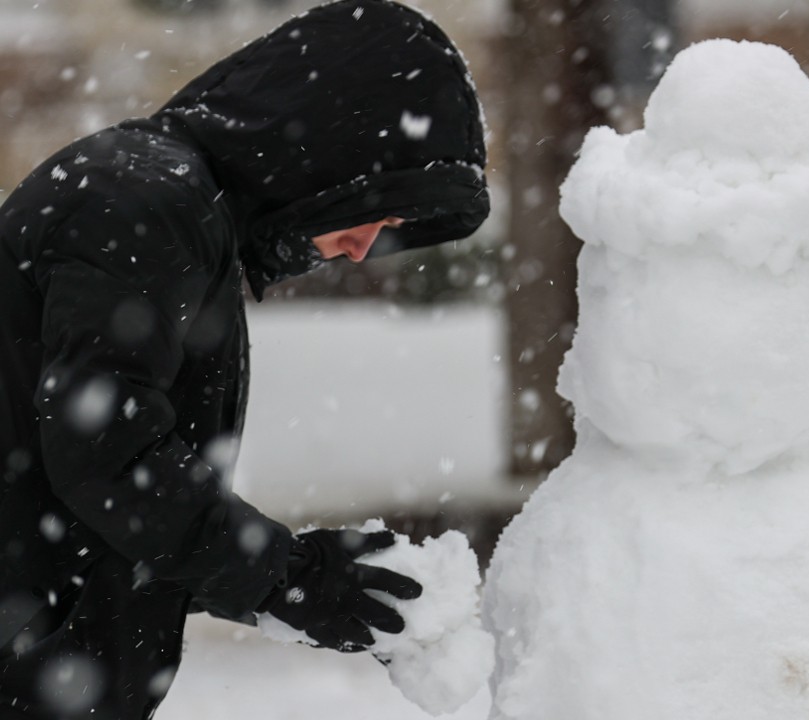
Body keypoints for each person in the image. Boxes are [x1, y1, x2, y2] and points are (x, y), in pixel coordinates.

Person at [0, 0, 489, 716]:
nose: (363, 245)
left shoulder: (178, 215)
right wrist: (283, 574)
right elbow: (104, 456)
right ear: (335, 148)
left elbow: (98, 515)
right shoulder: (143, 201)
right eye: (379, 207)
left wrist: (291, 585)